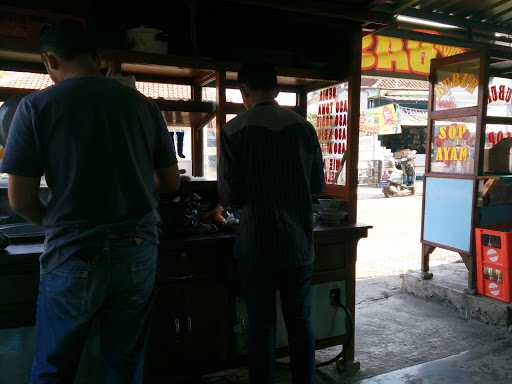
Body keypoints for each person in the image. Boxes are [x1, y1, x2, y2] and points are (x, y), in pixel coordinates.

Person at [0, 22, 181, 383]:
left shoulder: (35, 108)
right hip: (137, 250)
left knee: (55, 368)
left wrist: (54, 221)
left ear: (49, 60)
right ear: (97, 58)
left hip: (74, 252)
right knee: (124, 366)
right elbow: (170, 182)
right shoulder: (144, 106)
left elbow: (20, 199)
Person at [218, 58, 324, 384]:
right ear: (276, 89)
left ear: (244, 91)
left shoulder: (233, 130)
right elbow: (317, 186)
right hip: (298, 244)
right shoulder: (303, 128)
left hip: (255, 245)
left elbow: (230, 196)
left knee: (260, 327)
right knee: (300, 323)